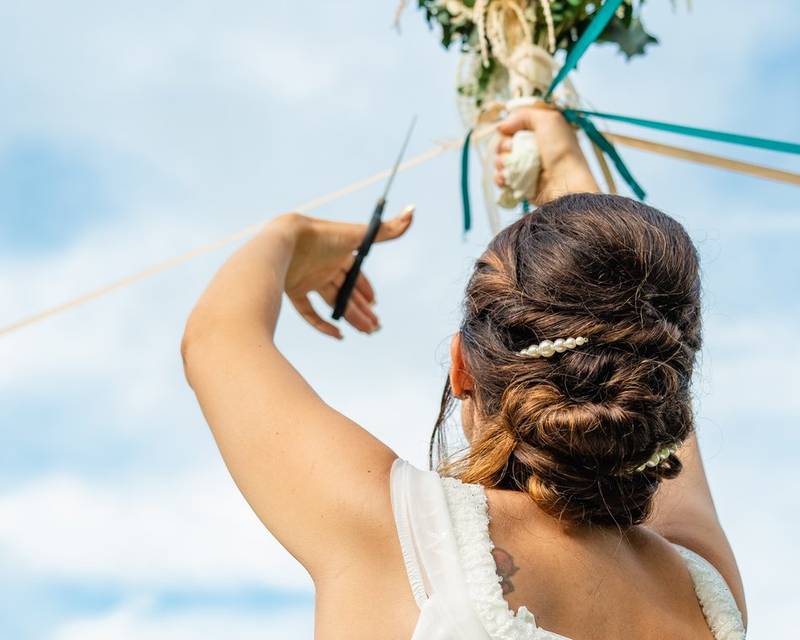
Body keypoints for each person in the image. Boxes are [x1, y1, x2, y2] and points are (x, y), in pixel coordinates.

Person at [181, 107, 748, 639]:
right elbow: (641, 351)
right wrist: (567, 170)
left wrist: (290, 234)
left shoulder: (401, 532)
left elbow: (216, 338)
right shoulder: (704, 593)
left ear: (461, 368)